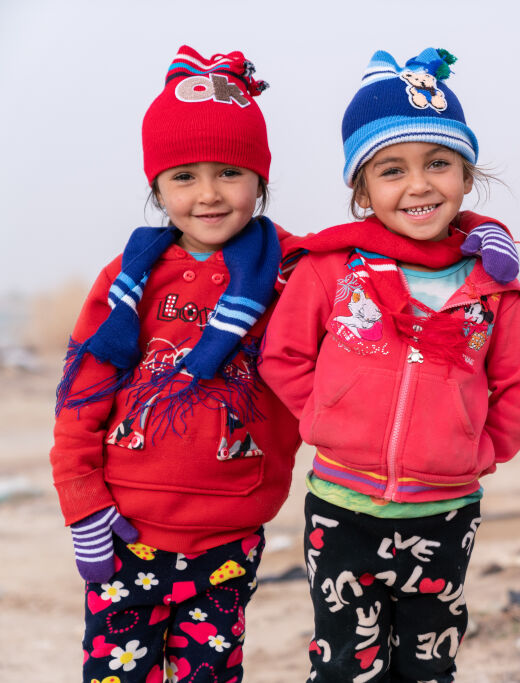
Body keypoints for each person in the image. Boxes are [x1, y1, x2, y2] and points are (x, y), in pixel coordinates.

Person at [261, 48, 520, 682]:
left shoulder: (491, 286)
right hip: (341, 506)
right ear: (363, 190)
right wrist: (330, 417)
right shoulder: (331, 269)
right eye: (392, 170)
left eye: (438, 163)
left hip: (445, 512)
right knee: (343, 664)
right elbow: (284, 355)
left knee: (428, 663)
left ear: (467, 177)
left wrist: (479, 449)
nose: (419, 185)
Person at [49, 46, 304, 682]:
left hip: (229, 535)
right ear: (157, 188)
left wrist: (473, 228)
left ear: (261, 181)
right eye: (184, 176)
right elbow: (82, 394)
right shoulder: (128, 280)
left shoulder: (293, 273)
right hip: (125, 530)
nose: (209, 194)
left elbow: (384, 235)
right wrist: (82, 501)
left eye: (230, 172)